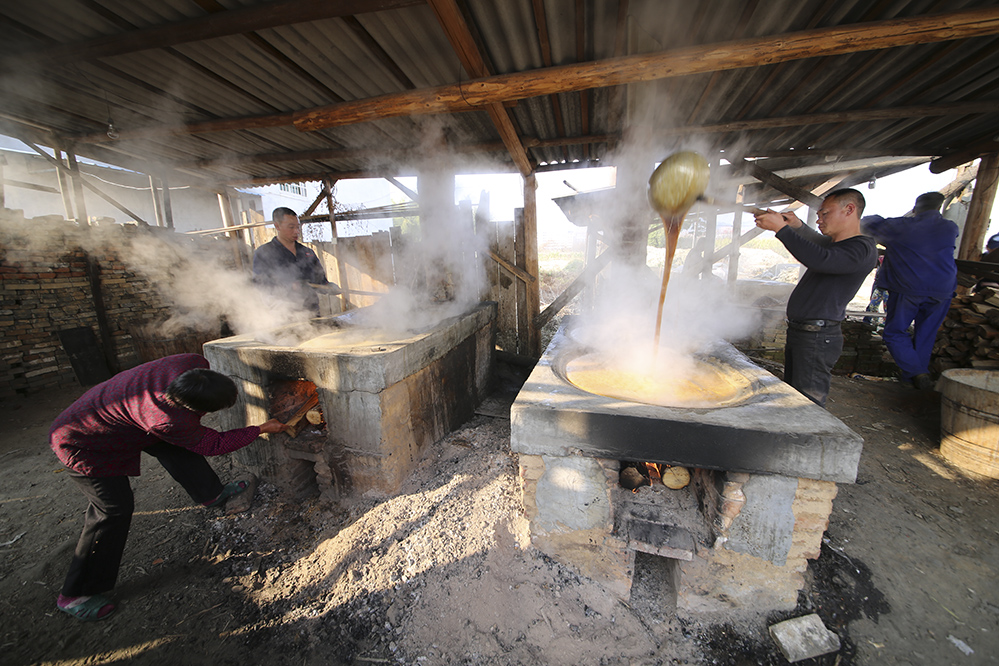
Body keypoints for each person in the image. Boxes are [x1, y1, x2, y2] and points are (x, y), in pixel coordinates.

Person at [49, 353, 286, 622]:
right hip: (83, 441)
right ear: (193, 409)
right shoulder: (167, 420)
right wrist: (261, 428)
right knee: (113, 510)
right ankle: (75, 593)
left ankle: (211, 494)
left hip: (127, 414)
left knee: (179, 447)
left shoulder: (190, 363)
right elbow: (214, 444)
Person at [754, 189, 879, 407]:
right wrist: (798, 227)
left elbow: (821, 258)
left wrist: (781, 229)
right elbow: (822, 246)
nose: (819, 220)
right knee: (793, 397)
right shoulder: (839, 246)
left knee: (806, 404)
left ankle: (804, 440)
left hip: (817, 337)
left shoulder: (862, 248)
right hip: (805, 333)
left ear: (849, 209)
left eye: (825, 214)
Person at [861, 192, 958, 390]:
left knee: (894, 332)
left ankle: (916, 373)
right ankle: (912, 382)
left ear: (915, 208)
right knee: (925, 335)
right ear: (938, 207)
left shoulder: (902, 227)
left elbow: (870, 224)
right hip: (943, 290)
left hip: (909, 287)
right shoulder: (950, 228)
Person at [252, 207, 340, 315]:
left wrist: (329, 287)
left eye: (297, 227)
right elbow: (261, 285)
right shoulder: (263, 253)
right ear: (277, 226)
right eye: (291, 227)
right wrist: (290, 286)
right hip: (282, 315)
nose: (296, 231)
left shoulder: (307, 252)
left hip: (311, 312)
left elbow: (319, 282)